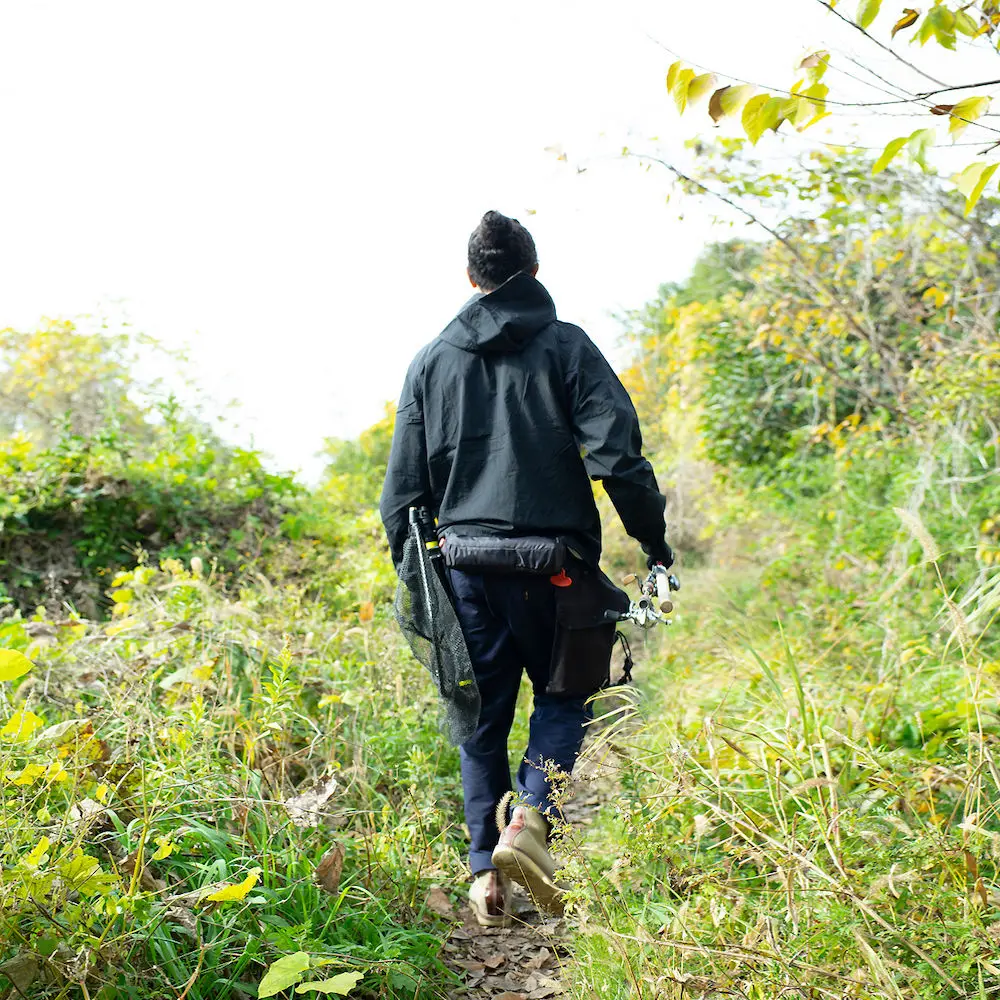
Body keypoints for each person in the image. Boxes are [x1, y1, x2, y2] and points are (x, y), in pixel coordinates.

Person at [379, 210, 672, 926]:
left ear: (472, 280)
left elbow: (402, 496)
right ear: (535, 273)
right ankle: (530, 820)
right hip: (557, 569)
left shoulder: (431, 360)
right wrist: (654, 545)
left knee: (480, 720)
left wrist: (421, 586)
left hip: (465, 567)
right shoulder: (568, 348)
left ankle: (486, 873)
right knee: (565, 699)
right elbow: (619, 461)